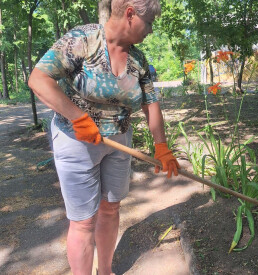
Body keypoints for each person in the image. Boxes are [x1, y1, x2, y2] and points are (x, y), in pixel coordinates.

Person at [28, 0, 180, 274]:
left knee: (111, 208)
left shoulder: (139, 59)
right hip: (77, 141)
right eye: (150, 23)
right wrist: (77, 117)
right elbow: (39, 79)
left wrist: (161, 146)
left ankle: (106, 270)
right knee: (84, 220)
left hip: (119, 141)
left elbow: (151, 103)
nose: (151, 30)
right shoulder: (82, 40)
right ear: (131, 15)